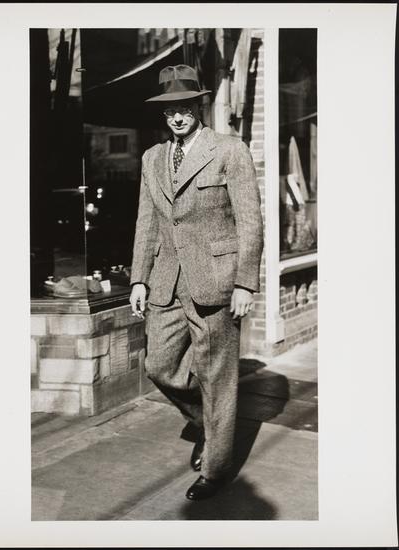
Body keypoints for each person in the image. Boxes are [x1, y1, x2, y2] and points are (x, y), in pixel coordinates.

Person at [130, 64, 263, 500]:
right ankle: (209, 421)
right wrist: (138, 279)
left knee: (217, 374)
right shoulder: (152, 158)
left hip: (217, 280)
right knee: (159, 365)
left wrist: (245, 283)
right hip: (167, 280)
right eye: (170, 110)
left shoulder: (229, 150)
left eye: (185, 108)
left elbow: (250, 221)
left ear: (199, 107)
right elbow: (147, 222)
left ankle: (217, 468)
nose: (177, 117)